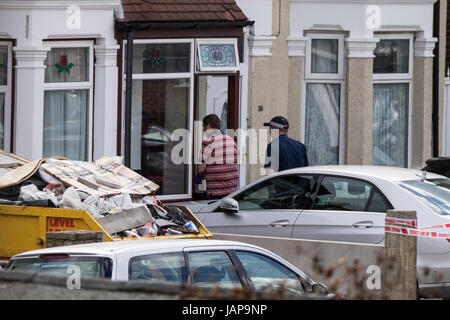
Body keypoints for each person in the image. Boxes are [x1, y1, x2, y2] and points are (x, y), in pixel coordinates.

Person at [197, 114, 239, 199]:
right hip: (232, 190)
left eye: (203, 128)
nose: (203, 131)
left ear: (208, 126)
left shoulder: (207, 142)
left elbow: (201, 169)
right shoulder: (231, 140)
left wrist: (197, 177)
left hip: (216, 191)